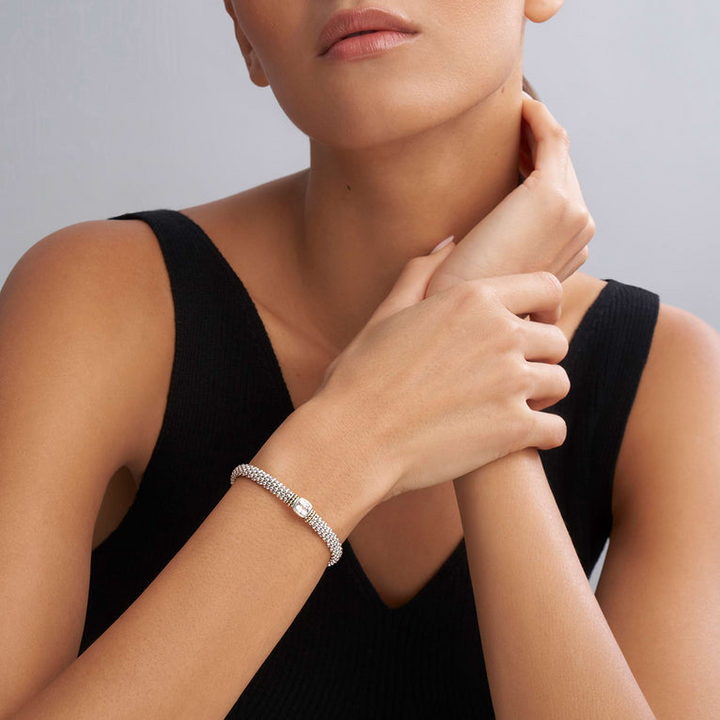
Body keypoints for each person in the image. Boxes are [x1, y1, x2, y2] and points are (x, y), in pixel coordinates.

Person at [0, 0, 718, 717]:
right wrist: (360, 430)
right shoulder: (97, 301)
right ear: (243, 34)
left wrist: (475, 337)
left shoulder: (673, 381)